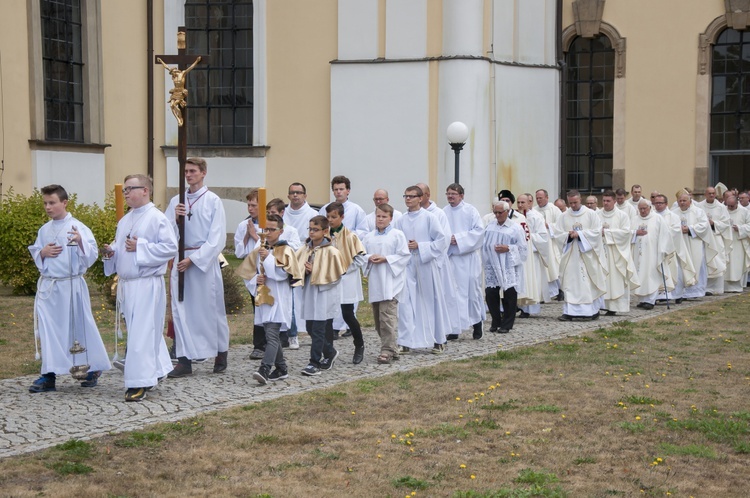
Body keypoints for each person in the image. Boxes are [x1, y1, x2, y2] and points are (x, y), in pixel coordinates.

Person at [28, 184, 111, 393]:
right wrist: (42, 253)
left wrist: (80, 241)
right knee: (49, 330)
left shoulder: (78, 227)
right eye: (45, 203)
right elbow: (37, 252)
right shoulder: (44, 229)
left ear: (64, 202)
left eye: (52, 202)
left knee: (79, 327)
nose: (48, 207)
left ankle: (92, 367)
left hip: (71, 284)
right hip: (49, 287)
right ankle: (49, 375)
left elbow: (91, 255)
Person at [103, 175, 178, 401]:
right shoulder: (125, 219)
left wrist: (141, 247)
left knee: (141, 335)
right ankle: (157, 368)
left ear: (145, 190)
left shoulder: (157, 218)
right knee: (141, 332)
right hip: (129, 285)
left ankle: (139, 382)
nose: (125, 193)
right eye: (124, 189)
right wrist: (111, 251)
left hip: (146, 284)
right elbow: (121, 244)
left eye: (129, 189)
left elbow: (170, 248)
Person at [165, 157, 231, 378]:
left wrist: (194, 260)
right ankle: (184, 360)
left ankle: (220, 353)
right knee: (181, 310)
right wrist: (175, 219)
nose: (188, 174)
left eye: (193, 170)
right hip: (180, 259)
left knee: (210, 310)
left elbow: (217, 238)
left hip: (203, 264)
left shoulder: (212, 201)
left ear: (203, 173)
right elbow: (164, 234)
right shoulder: (176, 201)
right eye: (185, 171)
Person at [236, 214, 303, 384]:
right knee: (269, 333)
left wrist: (269, 258)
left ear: (281, 231)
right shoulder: (260, 249)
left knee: (272, 335)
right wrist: (254, 280)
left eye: (272, 230)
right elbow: (248, 271)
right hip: (264, 297)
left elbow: (283, 274)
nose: (268, 233)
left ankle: (264, 369)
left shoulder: (286, 250)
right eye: (266, 229)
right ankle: (281, 368)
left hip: (279, 298)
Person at [394, 185, 452, 354]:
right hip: (407, 265)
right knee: (406, 303)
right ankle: (405, 341)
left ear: (420, 198)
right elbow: (397, 240)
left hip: (426, 264)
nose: (408, 199)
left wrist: (421, 246)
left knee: (431, 301)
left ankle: (438, 340)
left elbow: (441, 241)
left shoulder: (429, 218)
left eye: (412, 196)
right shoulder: (401, 220)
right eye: (406, 196)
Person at [296, 215, 345, 376]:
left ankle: (314, 362)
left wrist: (314, 270)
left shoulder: (331, 251)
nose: (311, 232)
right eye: (310, 229)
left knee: (318, 329)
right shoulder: (305, 249)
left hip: (325, 294)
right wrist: (304, 271)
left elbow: (336, 276)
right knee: (310, 327)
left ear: (325, 231)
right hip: (310, 293)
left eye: (315, 229)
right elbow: (296, 268)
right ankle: (330, 352)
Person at [362, 203, 410, 364]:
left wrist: (386, 259)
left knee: (387, 318)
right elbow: (361, 255)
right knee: (378, 320)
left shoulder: (397, 235)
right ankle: (392, 348)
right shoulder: (369, 237)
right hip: (376, 282)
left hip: (391, 282)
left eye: (384, 216)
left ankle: (387, 350)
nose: (380, 219)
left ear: (390, 218)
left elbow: (404, 256)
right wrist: (369, 258)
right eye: (378, 216)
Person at [416, 182, 461, 342]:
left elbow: (444, 239)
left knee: (440, 297)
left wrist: (430, 255)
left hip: (435, 262)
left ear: (427, 195)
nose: (415, 198)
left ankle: (446, 329)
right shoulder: (410, 215)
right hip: (416, 264)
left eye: (418, 194)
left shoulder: (438, 214)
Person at [555, 190, 607, 321]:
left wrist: (581, 235)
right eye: (570, 203)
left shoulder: (591, 214)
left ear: (580, 200)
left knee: (587, 283)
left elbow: (597, 232)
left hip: (587, 255)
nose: (572, 205)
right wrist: (568, 235)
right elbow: (557, 234)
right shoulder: (563, 216)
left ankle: (591, 311)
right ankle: (569, 312)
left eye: (575, 202)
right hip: (571, 255)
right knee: (570, 283)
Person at [326, 202, 367, 364]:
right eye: (328, 217)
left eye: (334, 217)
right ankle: (328, 350)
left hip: (346, 280)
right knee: (328, 316)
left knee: (348, 314)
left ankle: (359, 344)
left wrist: (343, 269)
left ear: (342, 217)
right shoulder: (325, 235)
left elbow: (360, 259)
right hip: (329, 280)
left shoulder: (351, 236)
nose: (330, 220)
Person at [443, 183, 485, 339]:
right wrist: (448, 240)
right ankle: (454, 328)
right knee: (452, 294)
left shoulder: (470, 211)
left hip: (468, 258)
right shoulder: (443, 212)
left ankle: (477, 323)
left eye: (453, 193)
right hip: (451, 258)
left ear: (461, 195)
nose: (450, 196)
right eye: (448, 194)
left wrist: (459, 239)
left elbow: (479, 232)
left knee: (472, 292)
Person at [235, 189, 270, 359]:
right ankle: (259, 344)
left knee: (269, 307)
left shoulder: (269, 224)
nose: (250, 209)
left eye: (254, 205)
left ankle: (273, 341)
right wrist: (247, 237)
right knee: (257, 307)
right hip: (253, 273)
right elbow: (239, 253)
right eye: (248, 205)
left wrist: (255, 236)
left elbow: (268, 247)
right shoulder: (243, 225)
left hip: (268, 271)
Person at [482, 200, 527, 333]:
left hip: (508, 264)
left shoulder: (515, 228)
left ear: (507, 212)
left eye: (500, 212)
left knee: (509, 294)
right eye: (495, 212)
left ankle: (507, 323)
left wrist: (508, 248)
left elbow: (523, 249)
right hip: (493, 263)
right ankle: (496, 321)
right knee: (491, 293)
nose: (497, 215)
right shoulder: (490, 226)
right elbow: (484, 243)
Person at [282, 182, 318, 345]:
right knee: (289, 295)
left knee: (305, 293)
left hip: (305, 253)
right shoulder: (282, 213)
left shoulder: (311, 213)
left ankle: (308, 328)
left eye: (298, 192)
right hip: (284, 256)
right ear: (288, 195)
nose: (295, 195)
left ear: (305, 195)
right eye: (292, 192)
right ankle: (291, 330)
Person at [671, 190, 722, 299]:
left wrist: (689, 228)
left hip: (695, 242)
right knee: (681, 266)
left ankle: (695, 292)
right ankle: (680, 291)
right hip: (680, 244)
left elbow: (704, 226)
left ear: (690, 201)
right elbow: (669, 226)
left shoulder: (698, 212)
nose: (682, 203)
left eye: (684, 200)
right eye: (680, 201)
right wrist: (678, 229)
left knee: (697, 264)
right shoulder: (673, 212)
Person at [598, 190, 639, 316]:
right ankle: (601, 306)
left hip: (616, 253)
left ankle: (615, 306)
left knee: (615, 279)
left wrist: (607, 233)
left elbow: (626, 233)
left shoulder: (622, 216)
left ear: (614, 201)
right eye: (604, 201)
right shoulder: (596, 214)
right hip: (601, 252)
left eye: (608, 201)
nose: (605, 203)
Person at [631, 199, 675, 309]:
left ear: (650, 208)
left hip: (653, 253)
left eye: (644, 208)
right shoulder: (635, 219)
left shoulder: (657, 218)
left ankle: (650, 301)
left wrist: (663, 248)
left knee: (651, 275)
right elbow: (629, 233)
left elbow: (665, 234)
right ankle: (642, 300)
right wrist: (635, 234)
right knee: (640, 274)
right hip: (638, 253)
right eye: (640, 209)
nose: (642, 211)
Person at [653, 194, 696, 304]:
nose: (658, 205)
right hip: (655, 250)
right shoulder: (651, 216)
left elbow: (676, 231)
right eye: (656, 203)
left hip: (671, 249)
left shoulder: (673, 216)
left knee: (675, 270)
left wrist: (662, 234)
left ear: (666, 204)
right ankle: (659, 294)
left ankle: (676, 294)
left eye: (660, 203)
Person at [518, 193, 557, 306]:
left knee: (531, 280)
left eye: (523, 202)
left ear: (530, 203)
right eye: (518, 202)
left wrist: (528, 236)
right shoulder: (515, 217)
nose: (520, 205)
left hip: (532, 254)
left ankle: (530, 307)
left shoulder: (536, 217)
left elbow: (543, 237)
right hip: (520, 255)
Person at [696, 186, 731, 295]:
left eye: (713, 193)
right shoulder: (699, 206)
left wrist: (714, 223)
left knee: (717, 261)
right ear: (705, 194)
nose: (711, 195)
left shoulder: (721, 207)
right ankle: (703, 287)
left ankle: (716, 288)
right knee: (704, 262)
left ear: (715, 194)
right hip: (704, 239)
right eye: (709, 193)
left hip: (716, 238)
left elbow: (726, 223)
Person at [533, 189, 563, 300]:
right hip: (540, 244)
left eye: (540, 198)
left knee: (554, 267)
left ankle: (560, 290)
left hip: (552, 243)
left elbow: (561, 226)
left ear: (547, 197)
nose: (538, 200)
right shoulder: (534, 211)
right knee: (542, 269)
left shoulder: (554, 210)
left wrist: (549, 226)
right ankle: (544, 292)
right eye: (537, 198)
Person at [157, 56, 202, 127]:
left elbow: (190, 68)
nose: (172, 75)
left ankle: (180, 118)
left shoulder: (182, 74)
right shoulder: (174, 77)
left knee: (174, 105)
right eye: (171, 73)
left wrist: (197, 61)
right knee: (171, 105)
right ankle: (178, 119)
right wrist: (161, 61)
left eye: (172, 73)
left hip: (181, 93)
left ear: (175, 71)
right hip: (175, 92)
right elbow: (166, 67)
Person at [724, 195, 750, 292]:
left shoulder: (744, 212)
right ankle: (725, 286)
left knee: (737, 264)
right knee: (726, 263)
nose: (729, 208)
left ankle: (737, 286)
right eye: (728, 205)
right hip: (725, 242)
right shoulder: (723, 210)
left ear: (736, 203)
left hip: (738, 242)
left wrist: (740, 228)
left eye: (732, 206)